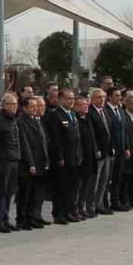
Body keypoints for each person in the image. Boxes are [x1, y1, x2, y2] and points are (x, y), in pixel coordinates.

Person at [44, 89, 83, 224]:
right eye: (68, 98)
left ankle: (68, 211)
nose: (71, 101)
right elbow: (56, 139)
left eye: (72, 98)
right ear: (60, 99)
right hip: (63, 158)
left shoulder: (72, 114)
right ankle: (58, 213)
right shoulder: (56, 115)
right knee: (61, 188)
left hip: (75, 156)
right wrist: (60, 157)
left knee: (72, 187)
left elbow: (77, 137)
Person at [16, 96, 49, 229]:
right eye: (32, 107)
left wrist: (46, 160)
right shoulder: (21, 122)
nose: (35, 109)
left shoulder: (36, 120)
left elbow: (42, 142)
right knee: (25, 193)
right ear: (24, 108)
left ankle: (32, 217)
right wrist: (31, 164)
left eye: (37, 106)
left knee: (35, 193)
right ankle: (22, 219)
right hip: (28, 164)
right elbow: (25, 144)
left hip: (40, 161)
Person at [0, 93, 22, 233]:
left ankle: (6, 218)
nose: (14, 107)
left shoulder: (13, 119)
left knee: (10, 192)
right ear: (3, 105)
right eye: (11, 104)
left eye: (16, 104)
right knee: (1, 192)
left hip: (14, 158)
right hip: (4, 160)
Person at [87, 89, 113, 215]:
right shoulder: (90, 113)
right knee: (94, 182)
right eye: (98, 97)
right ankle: (90, 206)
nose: (101, 99)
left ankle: (99, 204)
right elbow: (92, 135)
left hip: (107, 151)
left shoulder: (104, 111)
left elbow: (109, 131)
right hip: (98, 153)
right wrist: (96, 149)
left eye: (103, 97)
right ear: (92, 99)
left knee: (104, 180)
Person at [73, 95, 99, 219]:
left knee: (86, 185)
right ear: (76, 106)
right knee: (78, 185)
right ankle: (75, 208)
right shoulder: (75, 119)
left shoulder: (87, 119)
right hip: (81, 158)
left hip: (90, 157)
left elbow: (92, 137)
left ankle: (82, 206)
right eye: (83, 105)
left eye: (86, 105)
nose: (86, 107)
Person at [105, 88, 128, 210]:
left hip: (121, 149)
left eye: (120, 95)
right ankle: (104, 203)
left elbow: (124, 131)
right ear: (109, 97)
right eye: (116, 95)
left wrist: (126, 147)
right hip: (111, 149)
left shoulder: (120, 111)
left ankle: (116, 200)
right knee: (108, 178)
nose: (119, 98)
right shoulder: (106, 110)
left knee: (118, 177)